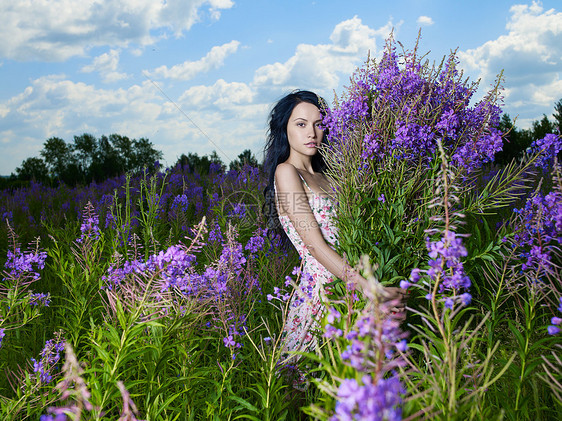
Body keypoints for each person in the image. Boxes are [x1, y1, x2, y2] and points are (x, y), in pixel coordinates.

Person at [263, 90, 406, 361]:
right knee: (318, 382)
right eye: (301, 124)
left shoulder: (332, 176)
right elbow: (316, 247)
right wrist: (370, 289)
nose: (312, 133)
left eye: (318, 124)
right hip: (324, 293)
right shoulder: (287, 173)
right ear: (285, 129)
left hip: (352, 281)